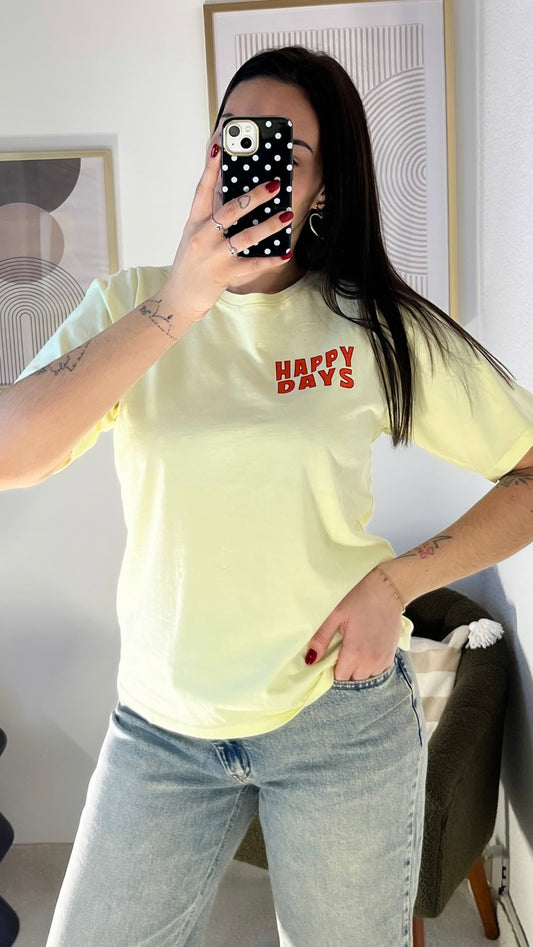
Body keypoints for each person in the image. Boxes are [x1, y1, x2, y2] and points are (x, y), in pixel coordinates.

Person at [1, 46, 533, 947]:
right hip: (160, 728)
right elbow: (11, 454)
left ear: (322, 184)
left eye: (285, 146)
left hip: (338, 721)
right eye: (233, 136)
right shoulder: (132, 303)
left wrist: (395, 583)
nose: (247, 158)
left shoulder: (369, 323)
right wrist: (181, 302)